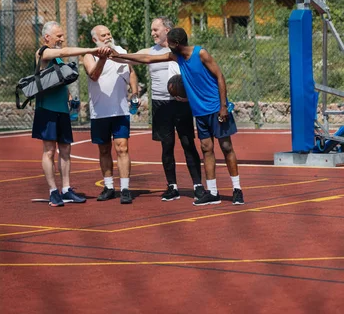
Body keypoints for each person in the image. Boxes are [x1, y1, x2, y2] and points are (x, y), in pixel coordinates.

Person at [110, 27, 244, 206]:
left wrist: (223, 106)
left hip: (215, 107)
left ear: (176, 44)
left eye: (170, 44)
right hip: (200, 111)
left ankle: (237, 190)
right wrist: (120, 57)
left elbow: (219, 76)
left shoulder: (201, 53)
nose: (168, 47)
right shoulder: (177, 57)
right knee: (206, 149)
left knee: (226, 146)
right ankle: (212, 192)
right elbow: (148, 58)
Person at [32, 20, 110, 207]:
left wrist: (69, 97)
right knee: (49, 151)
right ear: (47, 37)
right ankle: (53, 191)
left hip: (62, 110)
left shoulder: (57, 59)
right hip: (47, 110)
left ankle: (66, 189)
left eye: (62, 35)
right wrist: (90, 51)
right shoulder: (43, 52)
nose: (61, 39)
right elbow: (64, 51)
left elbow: (59, 79)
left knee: (66, 150)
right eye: (58, 36)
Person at [136, 17, 205, 202]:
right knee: (166, 147)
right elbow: (134, 58)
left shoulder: (180, 50)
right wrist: (112, 54)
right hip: (160, 104)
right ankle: (172, 186)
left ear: (167, 30)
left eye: (155, 29)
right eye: (151, 30)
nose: (152, 33)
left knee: (188, 144)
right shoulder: (151, 51)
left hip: (181, 103)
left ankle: (198, 185)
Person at [83, 25, 139, 205]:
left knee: (122, 148)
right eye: (103, 35)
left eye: (109, 34)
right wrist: (103, 58)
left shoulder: (121, 52)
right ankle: (108, 187)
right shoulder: (89, 55)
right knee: (104, 149)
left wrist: (135, 92)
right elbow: (93, 75)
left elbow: (131, 73)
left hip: (120, 110)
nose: (107, 37)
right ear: (95, 40)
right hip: (99, 112)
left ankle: (125, 188)